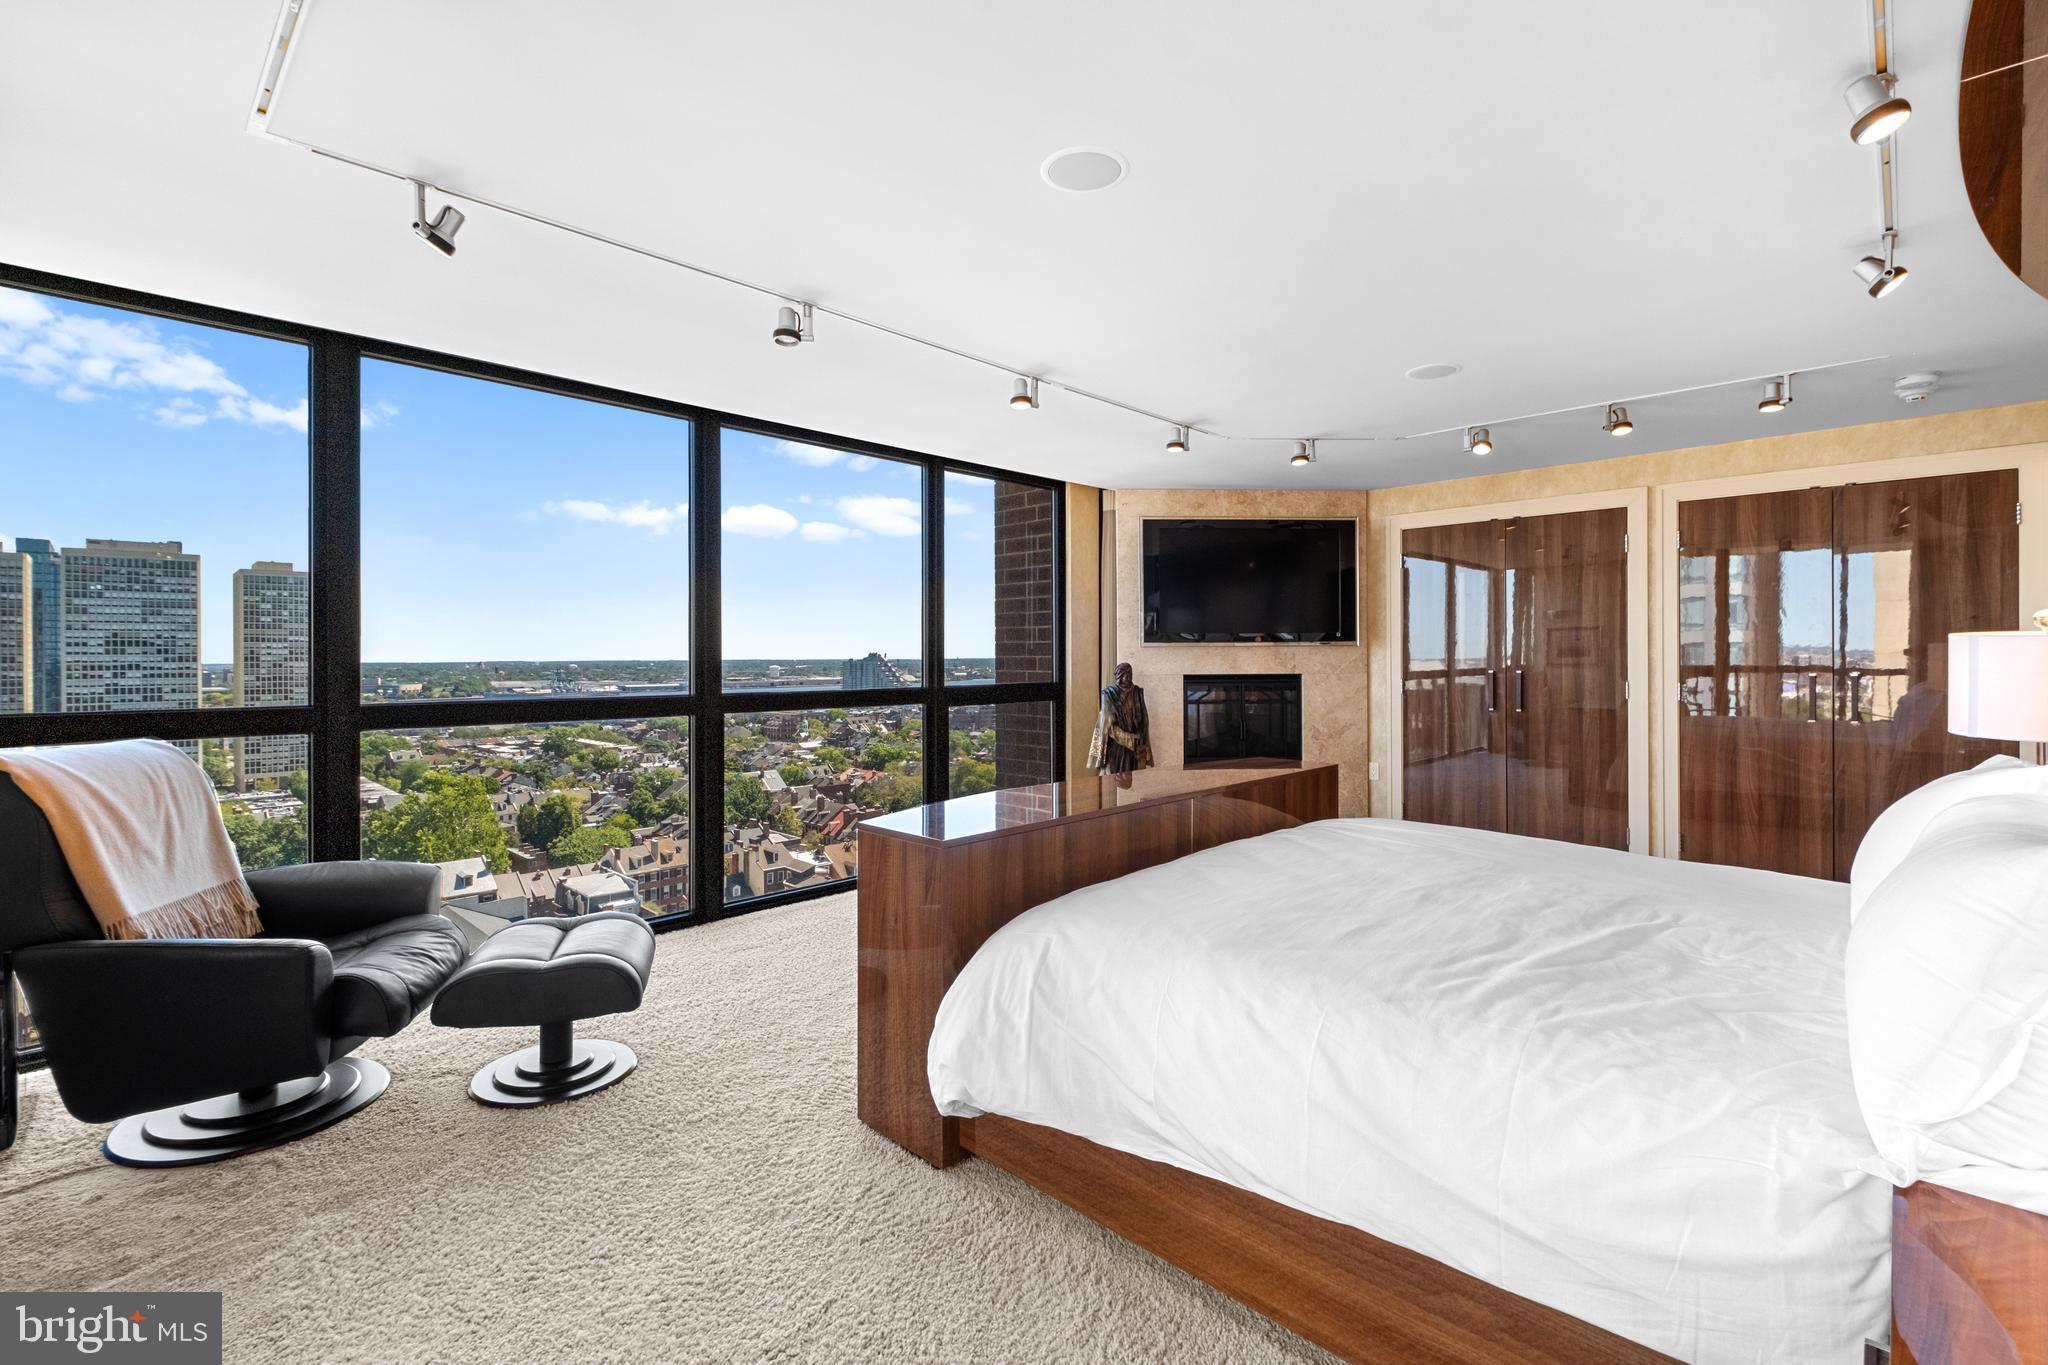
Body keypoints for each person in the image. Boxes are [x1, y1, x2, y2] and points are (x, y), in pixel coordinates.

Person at [1087, 662, 1154, 775]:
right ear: (1120, 676)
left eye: (1131, 673)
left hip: (1136, 746)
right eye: (1127, 674)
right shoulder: (1109, 695)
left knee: (1135, 779)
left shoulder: (1137, 693)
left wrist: (1141, 741)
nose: (1130, 677)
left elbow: (1144, 721)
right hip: (1116, 746)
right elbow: (1108, 727)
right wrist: (1129, 739)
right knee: (1114, 781)